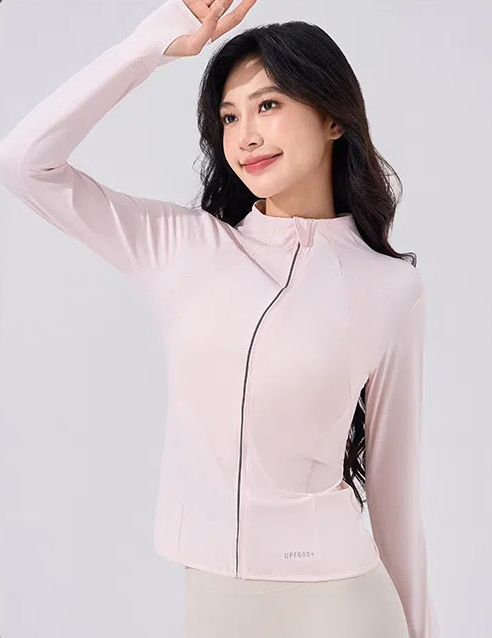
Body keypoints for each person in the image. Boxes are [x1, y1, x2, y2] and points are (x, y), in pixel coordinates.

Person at [0, 1, 440, 637]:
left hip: (346, 603)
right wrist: (150, 45)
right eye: (229, 117)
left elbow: (395, 490)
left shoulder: (390, 288)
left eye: (268, 105)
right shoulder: (182, 247)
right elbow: (24, 162)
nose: (245, 136)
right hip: (216, 604)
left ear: (332, 118)